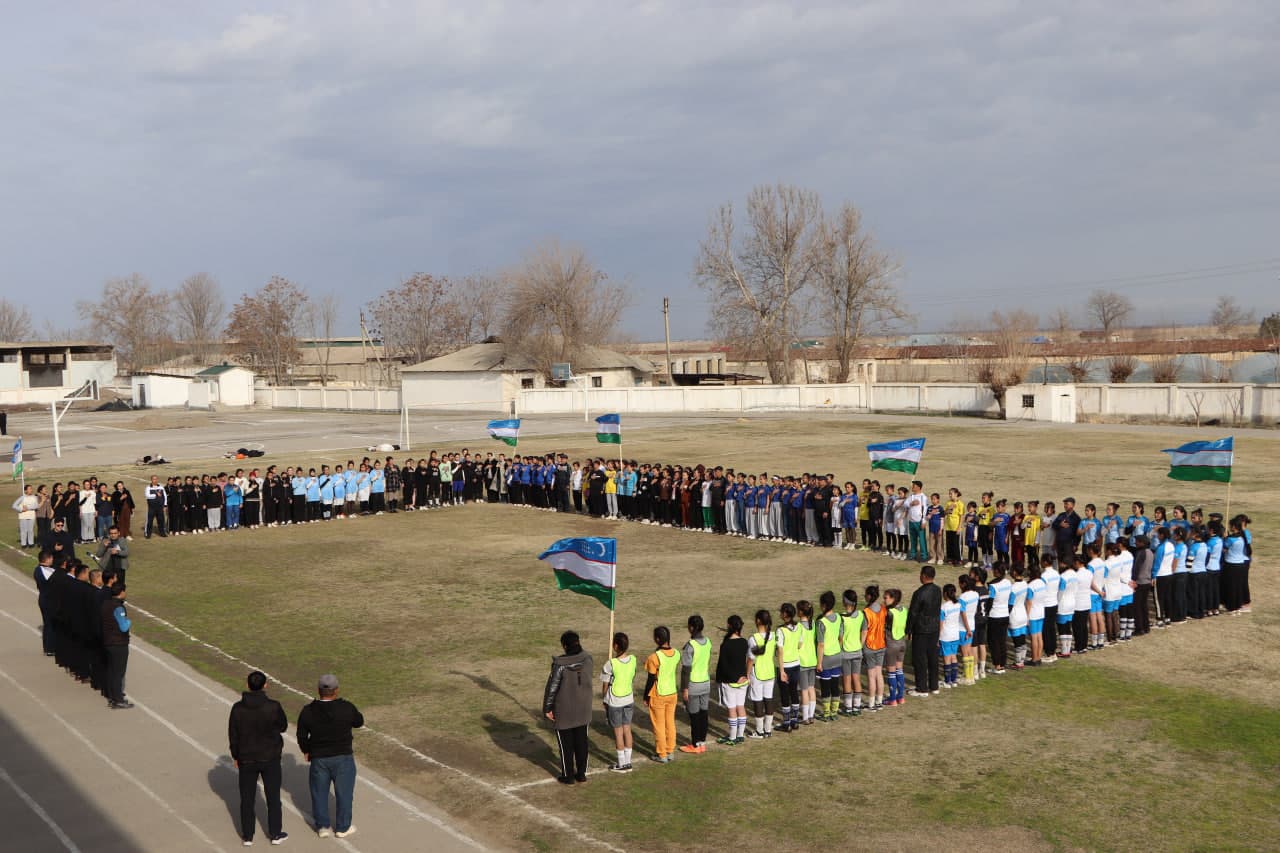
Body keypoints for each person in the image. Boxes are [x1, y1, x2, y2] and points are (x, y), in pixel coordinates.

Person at [298, 674, 365, 837]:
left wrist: (306, 750)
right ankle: (343, 827)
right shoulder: (346, 707)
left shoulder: (308, 710)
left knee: (319, 793)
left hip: (319, 758)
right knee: (344, 794)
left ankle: (322, 826)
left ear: (318, 690)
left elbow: (301, 734)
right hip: (343, 757)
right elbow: (359, 721)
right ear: (336, 690)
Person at [228, 671, 289, 846]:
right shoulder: (273, 706)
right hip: (270, 757)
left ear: (248, 685)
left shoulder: (237, 708)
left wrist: (236, 755)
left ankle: (248, 836)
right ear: (265, 685)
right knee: (273, 797)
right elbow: (283, 726)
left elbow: (233, 735)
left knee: (247, 799)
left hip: (246, 758)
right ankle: (275, 833)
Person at [542, 631, 592, 783]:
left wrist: (547, 708)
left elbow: (552, 688)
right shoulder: (587, 659)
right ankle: (581, 773)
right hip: (583, 708)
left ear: (564, 646)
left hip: (564, 710)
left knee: (566, 745)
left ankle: (568, 775)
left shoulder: (560, 665)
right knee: (582, 742)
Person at [601, 632, 636, 772]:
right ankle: (628, 762)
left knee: (618, 732)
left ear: (615, 646)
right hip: (629, 699)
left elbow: (605, 685)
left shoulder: (610, 664)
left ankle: (621, 764)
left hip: (615, 702)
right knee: (627, 730)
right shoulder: (633, 659)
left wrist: (604, 699)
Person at [643, 626, 679, 763]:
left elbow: (650, 679)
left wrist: (646, 696)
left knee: (659, 725)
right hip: (672, 693)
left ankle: (662, 754)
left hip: (659, 694)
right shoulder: (676, 653)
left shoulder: (654, 657)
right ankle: (670, 751)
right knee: (670, 723)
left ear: (657, 639)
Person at [679, 615, 712, 753]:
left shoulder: (690, 646)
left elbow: (686, 670)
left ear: (691, 628)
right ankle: (702, 743)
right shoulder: (708, 642)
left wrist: (684, 689)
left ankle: (695, 744)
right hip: (705, 683)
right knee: (703, 714)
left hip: (693, 685)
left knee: (694, 715)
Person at [907, 565, 942, 695]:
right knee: (933, 657)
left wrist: (908, 629)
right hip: (934, 627)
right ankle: (934, 685)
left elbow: (913, 613)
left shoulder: (919, 593)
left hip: (921, 629)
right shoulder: (938, 590)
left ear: (923, 576)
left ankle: (921, 688)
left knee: (920, 659)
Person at [715, 615, 749, 745]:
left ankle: (732, 737)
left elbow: (723, 665)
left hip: (730, 682)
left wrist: (720, 679)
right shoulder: (744, 642)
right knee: (741, 706)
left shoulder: (726, 644)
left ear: (729, 626)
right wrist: (743, 676)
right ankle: (740, 735)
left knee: (732, 708)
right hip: (743, 681)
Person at [101, 584, 132, 709]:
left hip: (108, 641)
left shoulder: (105, 604)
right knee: (118, 672)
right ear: (121, 592)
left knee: (111, 670)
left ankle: (111, 696)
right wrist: (129, 621)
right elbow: (123, 627)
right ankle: (118, 699)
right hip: (118, 644)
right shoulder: (118, 607)